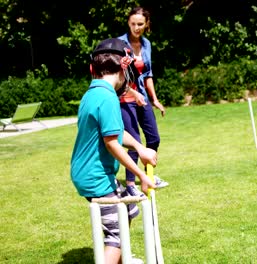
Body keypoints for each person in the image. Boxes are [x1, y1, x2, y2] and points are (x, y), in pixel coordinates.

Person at [70, 38, 157, 264]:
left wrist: (140, 148)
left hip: (91, 173)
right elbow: (112, 144)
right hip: (95, 177)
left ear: (93, 69)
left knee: (128, 209)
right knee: (116, 235)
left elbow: (116, 133)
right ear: (124, 69)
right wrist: (140, 175)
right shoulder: (107, 98)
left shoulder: (93, 93)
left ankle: (121, 259)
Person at [117, 6, 169, 196]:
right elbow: (118, 76)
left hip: (142, 98)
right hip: (124, 98)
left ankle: (149, 175)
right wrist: (133, 92)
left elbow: (148, 75)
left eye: (140, 24)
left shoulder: (146, 44)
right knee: (134, 141)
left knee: (153, 138)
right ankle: (131, 184)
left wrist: (154, 99)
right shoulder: (120, 44)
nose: (136, 27)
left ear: (146, 24)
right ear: (128, 24)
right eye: (133, 24)